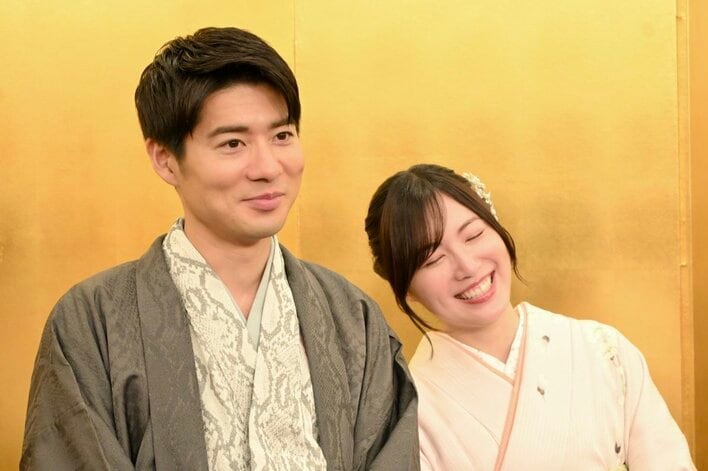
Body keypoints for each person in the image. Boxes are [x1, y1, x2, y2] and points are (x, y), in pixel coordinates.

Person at [21, 27, 418, 471]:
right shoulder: (92, 322)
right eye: (233, 143)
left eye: (282, 136)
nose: (268, 167)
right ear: (165, 160)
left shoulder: (352, 317)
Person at [365, 163, 695, 470]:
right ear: (406, 287)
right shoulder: (408, 412)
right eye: (433, 259)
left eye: (474, 235)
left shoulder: (604, 351)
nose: (467, 266)